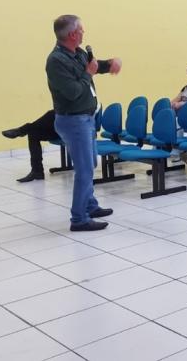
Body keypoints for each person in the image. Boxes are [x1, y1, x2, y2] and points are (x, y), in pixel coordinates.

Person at [45, 15, 121, 231]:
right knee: (85, 169)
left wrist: (110, 64)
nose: (83, 33)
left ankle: (90, 205)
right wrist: (88, 73)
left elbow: (94, 65)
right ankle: (78, 219)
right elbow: (73, 92)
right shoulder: (56, 61)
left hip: (86, 119)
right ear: (71, 34)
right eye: (81, 30)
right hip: (73, 120)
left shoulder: (76, 52)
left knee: (90, 164)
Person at [2, 110, 60, 183]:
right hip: (61, 129)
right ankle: (37, 171)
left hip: (73, 130)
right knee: (33, 133)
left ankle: (22, 130)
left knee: (53, 113)